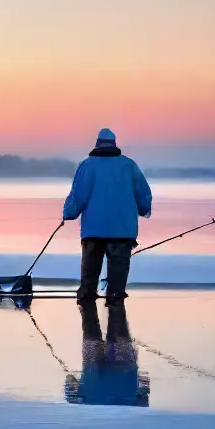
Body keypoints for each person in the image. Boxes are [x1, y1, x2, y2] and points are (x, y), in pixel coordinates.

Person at [62, 128, 152, 303]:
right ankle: (115, 299)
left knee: (90, 267)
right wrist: (143, 210)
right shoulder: (129, 165)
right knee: (118, 269)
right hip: (122, 230)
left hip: (93, 230)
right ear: (114, 144)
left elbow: (78, 194)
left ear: (97, 144)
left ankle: (87, 298)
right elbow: (143, 193)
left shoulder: (87, 165)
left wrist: (69, 213)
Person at [64, 301, 149, 406]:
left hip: (119, 375)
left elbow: (145, 391)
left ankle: (108, 295)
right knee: (92, 329)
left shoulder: (133, 409)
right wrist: (70, 380)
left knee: (116, 322)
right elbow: (70, 387)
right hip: (97, 377)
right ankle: (91, 297)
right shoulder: (85, 408)